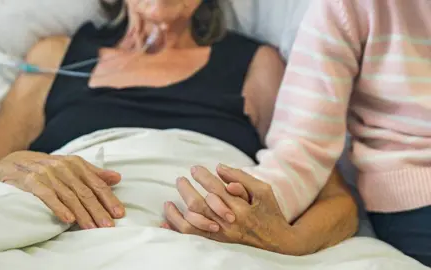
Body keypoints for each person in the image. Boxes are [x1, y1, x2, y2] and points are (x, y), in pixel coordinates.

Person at [0, 0, 358, 256]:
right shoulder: (54, 56)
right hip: (64, 222)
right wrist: (12, 170)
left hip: (199, 235)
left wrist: (286, 242)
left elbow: (337, 202)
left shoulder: (257, 64)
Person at [175, 0, 430, 266]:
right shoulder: (346, 8)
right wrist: (243, 204)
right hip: (416, 189)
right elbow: (302, 147)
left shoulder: (253, 60)